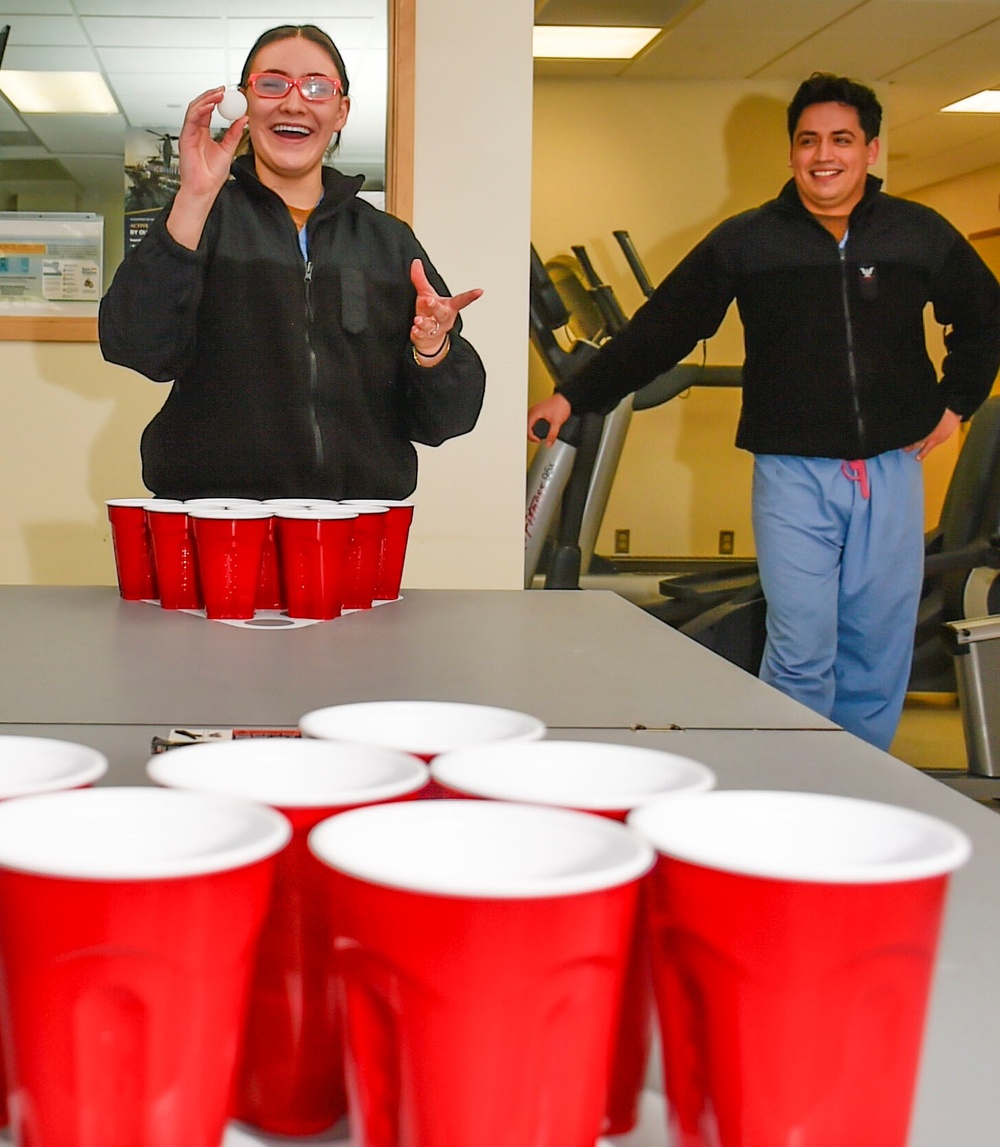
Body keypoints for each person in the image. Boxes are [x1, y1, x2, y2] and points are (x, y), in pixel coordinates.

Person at [528, 72, 1000, 751]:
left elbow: (984, 318)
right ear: (791, 154)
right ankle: (791, 781)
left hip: (891, 470)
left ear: (870, 149)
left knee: (876, 647)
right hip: (792, 474)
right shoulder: (748, 241)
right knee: (801, 646)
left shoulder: (917, 234)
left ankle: (863, 785)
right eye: (808, 140)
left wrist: (958, 401)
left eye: (841, 139)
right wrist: (576, 394)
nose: (823, 154)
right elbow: (663, 329)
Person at [101, 23, 486, 502]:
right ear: (245, 101)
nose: (294, 102)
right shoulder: (202, 220)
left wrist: (433, 349)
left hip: (354, 523)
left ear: (341, 111)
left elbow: (446, 420)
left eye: (317, 87)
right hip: (214, 517)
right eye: (272, 83)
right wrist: (194, 199)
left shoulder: (387, 242)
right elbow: (136, 347)